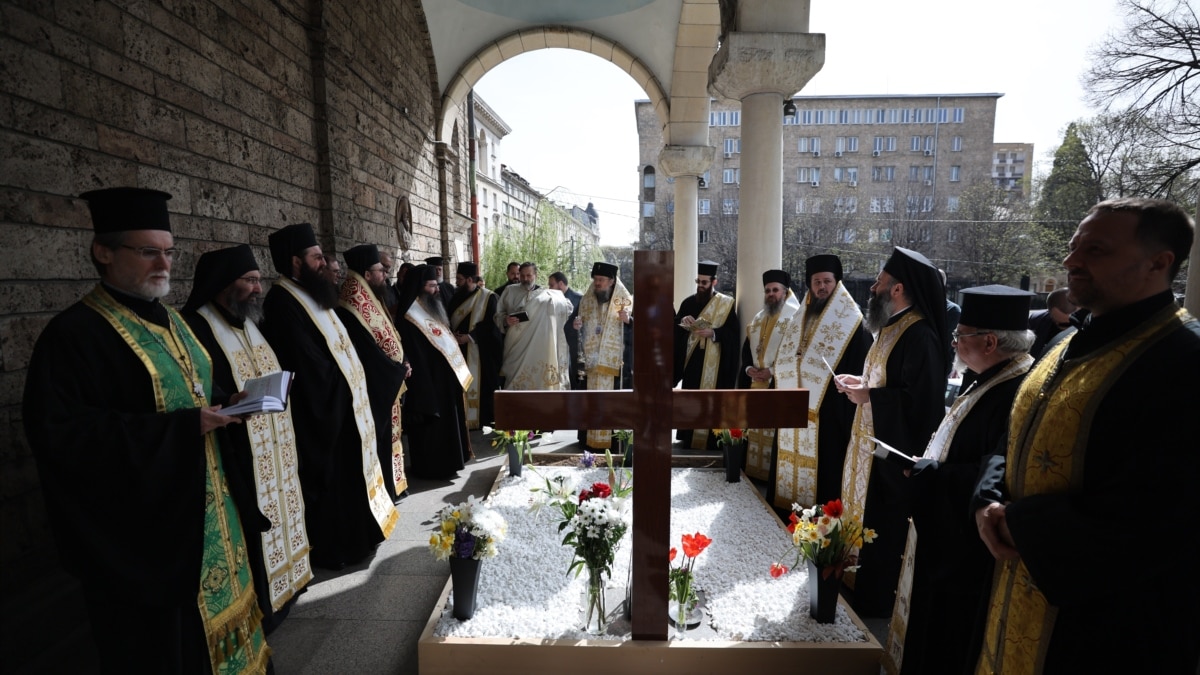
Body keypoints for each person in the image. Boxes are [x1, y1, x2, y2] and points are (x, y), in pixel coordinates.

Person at [23, 187, 270, 673]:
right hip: (149, 544)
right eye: (148, 251)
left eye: (170, 251)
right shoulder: (73, 336)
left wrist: (228, 401)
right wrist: (182, 429)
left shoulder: (175, 322)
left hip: (211, 518)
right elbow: (63, 438)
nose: (164, 263)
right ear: (103, 252)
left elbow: (194, 389)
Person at [973, 199, 1200, 675]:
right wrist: (988, 497)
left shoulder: (1184, 358)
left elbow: (1166, 514)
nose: (1071, 261)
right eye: (1075, 246)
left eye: (1095, 250)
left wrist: (1024, 525)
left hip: (1107, 623)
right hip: (1022, 579)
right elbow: (1014, 435)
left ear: (1160, 263)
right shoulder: (1064, 343)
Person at [894, 285, 1035, 675]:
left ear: (989, 342)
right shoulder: (989, 375)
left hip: (965, 554)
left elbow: (998, 471)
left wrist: (933, 474)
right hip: (947, 536)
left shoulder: (1015, 390)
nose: (955, 343)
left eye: (961, 336)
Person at [182, 244, 313, 635]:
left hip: (272, 444)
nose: (258, 289)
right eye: (250, 280)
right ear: (224, 284)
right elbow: (198, 387)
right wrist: (228, 400)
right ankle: (264, 602)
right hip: (238, 449)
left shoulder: (248, 322)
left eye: (258, 280)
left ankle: (287, 586)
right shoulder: (197, 325)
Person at [261, 223, 398, 570]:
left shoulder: (315, 292)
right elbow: (307, 364)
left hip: (343, 404)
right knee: (336, 482)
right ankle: (340, 549)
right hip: (322, 410)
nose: (324, 263)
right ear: (295, 262)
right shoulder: (282, 300)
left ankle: (362, 536)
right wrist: (345, 388)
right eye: (317, 257)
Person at [834, 246, 948, 617]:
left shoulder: (921, 335)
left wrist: (869, 396)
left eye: (880, 282)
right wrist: (860, 382)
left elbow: (923, 403)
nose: (873, 288)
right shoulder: (890, 325)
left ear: (897, 289)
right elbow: (886, 380)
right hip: (867, 445)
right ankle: (851, 582)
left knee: (882, 525)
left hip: (891, 453)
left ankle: (875, 601)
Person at [773, 255, 871, 507]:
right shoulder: (800, 318)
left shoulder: (854, 322)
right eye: (816, 281)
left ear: (837, 283)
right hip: (793, 412)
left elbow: (861, 368)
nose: (822, 287)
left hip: (829, 413)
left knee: (826, 479)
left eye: (827, 281)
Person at [337, 244, 410, 503]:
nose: (385, 275)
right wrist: (396, 370)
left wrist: (402, 362)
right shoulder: (353, 300)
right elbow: (367, 351)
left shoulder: (368, 293)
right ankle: (385, 493)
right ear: (367, 274)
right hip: (374, 386)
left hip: (388, 377)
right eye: (381, 270)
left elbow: (389, 334)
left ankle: (393, 487)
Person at [395, 264, 473, 479]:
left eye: (436, 285)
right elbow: (416, 355)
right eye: (431, 286)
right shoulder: (409, 317)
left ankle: (451, 463)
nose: (436, 290)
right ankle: (432, 468)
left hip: (444, 381)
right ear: (419, 287)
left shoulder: (430, 308)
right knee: (432, 429)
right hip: (428, 383)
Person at [738, 269, 802, 480]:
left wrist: (772, 372)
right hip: (756, 385)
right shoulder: (758, 318)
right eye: (768, 290)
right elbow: (747, 350)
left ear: (785, 292)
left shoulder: (796, 317)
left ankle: (771, 477)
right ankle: (754, 473)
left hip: (778, 385)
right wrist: (749, 369)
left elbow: (798, 354)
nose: (771, 294)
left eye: (776, 290)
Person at [673, 261, 740, 450]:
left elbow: (733, 334)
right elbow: (676, 328)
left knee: (711, 401)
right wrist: (683, 322)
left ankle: (711, 440)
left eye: (704, 282)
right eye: (698, 281)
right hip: (692, 363)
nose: (700, 286)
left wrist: (714, 333)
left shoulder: (725, 304)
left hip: (716, 363)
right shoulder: (688, 302)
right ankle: (687, 436)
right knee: (692, 399)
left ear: (714, 282)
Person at [576, 261, 634, 449]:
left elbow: (641, 333)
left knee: (613, 404)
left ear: (611, 281)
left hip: (617, 366)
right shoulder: (586, 300)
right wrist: (575, 327)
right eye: (595, 280)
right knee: (591, 402)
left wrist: (629, 321)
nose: (597, 284)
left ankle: (615, 444)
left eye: (601, 280)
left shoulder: (626, 302)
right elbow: (575, 329)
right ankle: (590, 443)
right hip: (591, 365)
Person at [494, 262, 574, 392]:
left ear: (535, 275)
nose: (525, 279)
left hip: (538, 347)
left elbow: (566, 308)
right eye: (523, 275)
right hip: (515, 346)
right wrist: (505, 320)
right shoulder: (509, 291)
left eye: (529, 275)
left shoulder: (546, 295)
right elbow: (497, 315)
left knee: (537, 381)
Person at [448, 261, 502, 428]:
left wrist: (470, 337)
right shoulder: (456, 296)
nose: (456, 282)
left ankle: (482, 420)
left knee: (483, 387)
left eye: (460, 279)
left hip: (481, 353)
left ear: (470, 279)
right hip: (459, 352)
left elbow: (493, 326)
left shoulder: (489, 298)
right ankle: (463, 419)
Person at [548, 271, 585, 390]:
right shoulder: (551, 300)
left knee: (574, 375)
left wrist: (577, 326)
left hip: (573, 346)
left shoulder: (580, 299)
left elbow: (585, 323)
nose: (549, 288)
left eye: (551, 285)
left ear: (561, 284)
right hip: (557, 343)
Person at [1027, 287, 1077, 358]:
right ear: (1049, 312)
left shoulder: (1092, 326)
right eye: (1062, 324)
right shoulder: (1036, 321)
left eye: (1071, 324)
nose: (1067, 330)